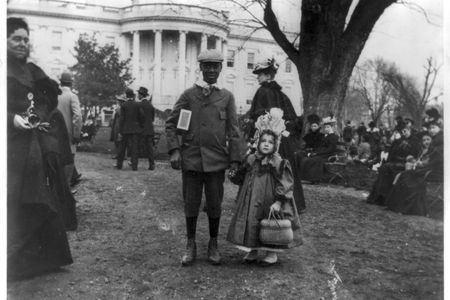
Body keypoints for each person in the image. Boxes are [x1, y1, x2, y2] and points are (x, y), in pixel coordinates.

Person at [7, 17, 73, 280]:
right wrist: (11, 118)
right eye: (16, 39)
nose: (23, 44)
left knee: (39, 196)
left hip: (32, 144)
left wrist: (40, 115)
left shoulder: (33, 70)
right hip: (8, 144)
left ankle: (41, 260)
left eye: (25, 39)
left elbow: (49, 96)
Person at [165, 49, 243, 266]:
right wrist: (174, 150)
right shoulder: (189, 95)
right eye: (206, 66)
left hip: (217, 161)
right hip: (191, 159)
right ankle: (190, 244)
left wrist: (235, 159)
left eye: (215, 66)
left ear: (220, 68)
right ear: (200, 68)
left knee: (215, 204)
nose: (210, 70)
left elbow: (234, 130)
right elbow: (172, 123)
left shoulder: (226, 97)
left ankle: (213, 243)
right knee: (190, 203)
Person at [227, 126, 302, 265]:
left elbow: (285, 183)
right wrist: (236, 171)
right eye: (263, 141)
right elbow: (241, 177)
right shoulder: (251, 158)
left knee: (270, 223)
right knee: (252, 221)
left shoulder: (278, 162)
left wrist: (279, 201)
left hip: (269, 198)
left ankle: (271, 253)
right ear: (258, 142)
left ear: (275, 145)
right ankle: (253, 250)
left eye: (270, 142)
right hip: (252, 197)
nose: (266, 144)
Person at [244, 57, 305, 211]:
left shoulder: (262, 91)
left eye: (260, 74)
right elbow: (293, 119)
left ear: (268, 75)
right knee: (283, 168)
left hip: (266, 140)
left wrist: (251, 134)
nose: (258, 77)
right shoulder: (282, 95)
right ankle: (291, 200)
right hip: (282, 142)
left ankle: (264, 200)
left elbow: (255, 117)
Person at [385, 127, 443, 216]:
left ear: (432, 140)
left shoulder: (437, 151)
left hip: (432, 173)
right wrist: (417, 163)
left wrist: (421, 165)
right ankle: (394, 205)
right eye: (424, 140)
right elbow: (422, 161)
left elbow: (434, 163)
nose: (426, 142)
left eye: (428, 139)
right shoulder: (426, 151)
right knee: (403, 175)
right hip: (422, 171)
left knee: (407, 178)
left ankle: (405, 208)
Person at [366, 125, 421, 205]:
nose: (403, 133)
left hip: (405, 163)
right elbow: (392, 152)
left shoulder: (415, 142)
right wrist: (390, 160)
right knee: (385, 168)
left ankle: (388, 199)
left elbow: (415, 156)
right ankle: (379, 197)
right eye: (402, 131)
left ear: (410, 131)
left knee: (388, 168)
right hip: (394, 162)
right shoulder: (398, 141)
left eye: (405, 131)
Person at [57, 71, 82, 187]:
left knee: (57, 157)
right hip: (68, 133)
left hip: (55, 132)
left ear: (61, 83)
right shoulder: (72, 96)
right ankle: (66, 187)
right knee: (69, 158)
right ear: (71, 84)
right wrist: (76, 134)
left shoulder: (55, 95)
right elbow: (77, 116)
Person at [300, 115, 340, 183]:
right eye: (325, 127)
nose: (326, 129)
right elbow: (320, 146)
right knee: (307, 159)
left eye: (328, 127)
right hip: (322, 154)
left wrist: (318, 153)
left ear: (332, 128)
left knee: (315, 160)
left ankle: (315, 179)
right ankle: (307, 178)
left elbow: (331, 149)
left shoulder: (334, 137)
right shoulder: (325, 136)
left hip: (329, 155)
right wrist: (315, 152)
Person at [115, 88, 144, 171]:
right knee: (135, 148)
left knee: (122, 147)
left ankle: (119, 165)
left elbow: (121, 119)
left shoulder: (123, 105)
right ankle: (134, 166)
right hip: (135, 129)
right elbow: (142, 116)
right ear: (133, 95)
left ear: (126, 95)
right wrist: (140, 126)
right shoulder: (137, 105)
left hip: (125, 130)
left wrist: (120, 131)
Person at [137, 86, 156, 170]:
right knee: (150, 148)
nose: (138, 95)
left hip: (141, 129)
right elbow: (152, 118)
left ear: (141, 95)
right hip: (150, 129)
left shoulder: (139, 105)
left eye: (138, 94)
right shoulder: (151, 105)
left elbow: (139, 118)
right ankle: (152, 165)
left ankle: (134, 163)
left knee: (137, 146)